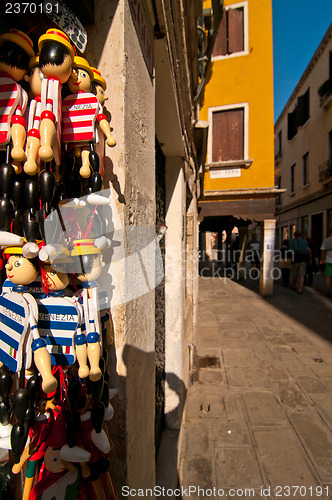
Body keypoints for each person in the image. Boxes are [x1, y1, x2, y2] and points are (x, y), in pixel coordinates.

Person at [320, 228, 332, 297]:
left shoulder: (326, 240)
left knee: (327, 276)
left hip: (328, 260)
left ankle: (328, 288)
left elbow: (323, 251)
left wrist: (321, 259)